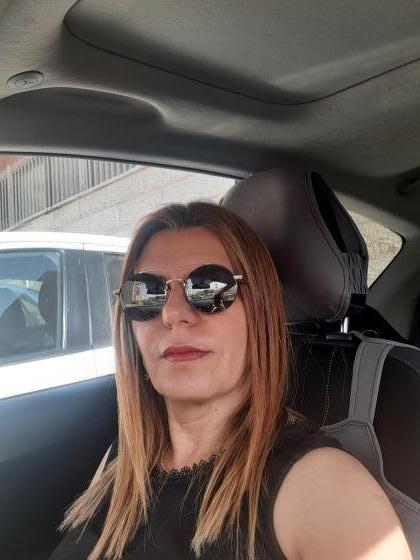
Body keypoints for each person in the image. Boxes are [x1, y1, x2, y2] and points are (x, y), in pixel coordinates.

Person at [50, 202, 412, 560]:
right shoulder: (124, 458)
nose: (172, 314)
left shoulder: (322, 488)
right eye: (146, 292)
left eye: (208, 287)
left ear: (260, 311)